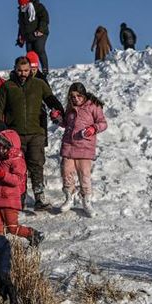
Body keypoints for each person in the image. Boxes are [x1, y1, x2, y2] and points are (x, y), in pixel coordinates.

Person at [0, 56, 64, 211]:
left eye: (26, 70)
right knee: (18, 167)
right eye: (20, 70)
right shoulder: (8, 87)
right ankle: (20, 197)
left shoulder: (39, 84)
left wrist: (59, 110)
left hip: (36, 132)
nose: (23, 73)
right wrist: (0, 128)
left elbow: (50, 99)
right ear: (15, 68)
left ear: (30, 70)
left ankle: (39, 197)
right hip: (15, 135)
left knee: (37, 163)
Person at [52, 82, 108, 217]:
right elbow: (65, 124)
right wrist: (57, 118)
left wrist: (93, 129)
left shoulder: (93, 106)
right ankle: (69, 198)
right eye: (72, 96)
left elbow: (103, 123)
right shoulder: (70, 108)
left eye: (79, 96)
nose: (76, 99)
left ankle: (86, 201)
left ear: (84, 95)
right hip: (69, 146)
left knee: (84, 175)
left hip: (85, 147)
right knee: (66, 172)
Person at [0, 129, 43, 246]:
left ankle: (33, 234)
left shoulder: (17, 160)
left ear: (12, 146)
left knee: (12, 228)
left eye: (4, 148)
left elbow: (18, 180)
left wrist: (3, 175)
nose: (1, 150)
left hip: (9, 200)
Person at [16, 0, 50, 72]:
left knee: (39, 48)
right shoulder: (21, 12)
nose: (22, 6)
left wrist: (40, 30)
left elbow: (45, 18)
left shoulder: (37, 6)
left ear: (27, 2)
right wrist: (20, 38)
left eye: (24, 4)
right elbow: (21, 25)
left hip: (40, 33)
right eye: (21, 5)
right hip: (29, 35)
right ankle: (32, 71)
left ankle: (45, 70)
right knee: (29, 54)